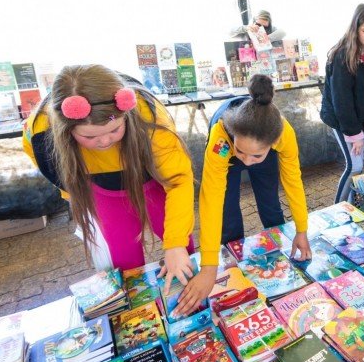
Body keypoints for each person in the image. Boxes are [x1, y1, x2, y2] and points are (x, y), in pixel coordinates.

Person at [22, 64, 196, 285]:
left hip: (152, 180)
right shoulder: (41, 132)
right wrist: (74, 198)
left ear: (127, 113)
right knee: (124, 260)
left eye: (115, 130)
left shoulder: (149, 114)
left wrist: (175, 244)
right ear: (66, 130)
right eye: (89, 136)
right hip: (103, 189)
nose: (105, 141)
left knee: (183, 249)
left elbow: (178, 181)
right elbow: (57, 174)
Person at [176, 75, 312, 314]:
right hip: (227, 150)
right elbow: (211, 200)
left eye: (255, 157)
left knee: (269, 201)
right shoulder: (221, 139)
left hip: (255, 146)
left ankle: (280, 250)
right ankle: (233, 261)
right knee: (227, 211)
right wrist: (209, 267)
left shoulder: (284, 135)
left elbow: (293, 182)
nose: (247, 162)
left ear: (274, 142)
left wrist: (301, 229)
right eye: (242, 153)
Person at [320, 3, 364, 203]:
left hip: (356, 118)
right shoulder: (342, 55)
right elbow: (342, 100)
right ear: (355, 28)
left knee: (358, 167)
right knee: (354, 166)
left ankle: (348, 207)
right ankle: (337, 210)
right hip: (341, 118)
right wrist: (355, 134)